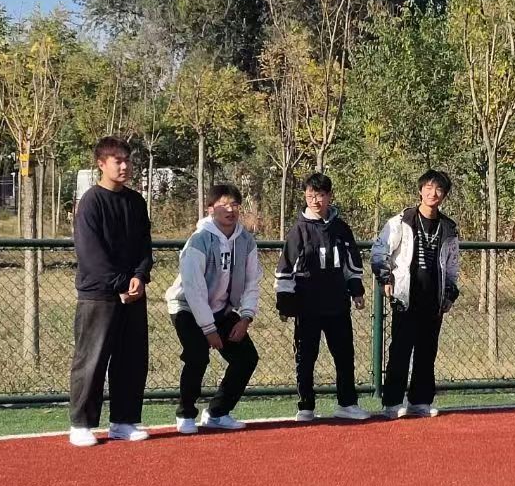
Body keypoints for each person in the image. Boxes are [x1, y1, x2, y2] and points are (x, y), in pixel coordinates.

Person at [68, 137, 152, 447]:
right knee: (91, 360)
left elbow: (144, 246)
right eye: (118, 160)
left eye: (128, 159)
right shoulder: (91, 202)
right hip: (98, 295)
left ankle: (123, 421)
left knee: (131, 360)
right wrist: (120, 284)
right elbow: (91, 254)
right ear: (101, 164)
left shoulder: (136, 201)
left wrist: (139, 277)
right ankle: (81, 424)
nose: (125, 166)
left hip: (133, 294)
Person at [165, 184, 260, 433]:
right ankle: (185, 413)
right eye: (223, 205)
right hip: (187, 307)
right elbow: (194, 289)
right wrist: (209, 329)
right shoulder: (198, 241)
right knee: (197, 356)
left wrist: (245, 317)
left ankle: (218, 412)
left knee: (246, 358)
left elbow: (252, 282)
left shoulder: (246, 241)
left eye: (235, 205)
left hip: (222, 309)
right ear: (210, 209)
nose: (230, 210)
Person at [275, 172, 370, 421]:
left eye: (320, 195)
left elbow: (352, 264)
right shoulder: (298, 231)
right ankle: (305, 406)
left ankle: (347, 403)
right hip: (307, 305)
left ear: (329, 196)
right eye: (310, 196)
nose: (315, 201)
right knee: (306, 356)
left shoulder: (341, 229)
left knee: (344, 355)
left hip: (337, 304)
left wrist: (356, 290)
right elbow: (285, 269)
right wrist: (285, 302)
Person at [371, 170, 460, 418]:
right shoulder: (401, 221)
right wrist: (385, 277)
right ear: (420, 191)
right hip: (406, 297)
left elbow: (452, 265)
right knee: (400, 350)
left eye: (439, 189)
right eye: (428, 188)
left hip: (434, 299)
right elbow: (380, 251)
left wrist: (450, 293)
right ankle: (392, 403)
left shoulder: (449, 228)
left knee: (427, 351)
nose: (433, 193)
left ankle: (420, 401)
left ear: (444, 195)